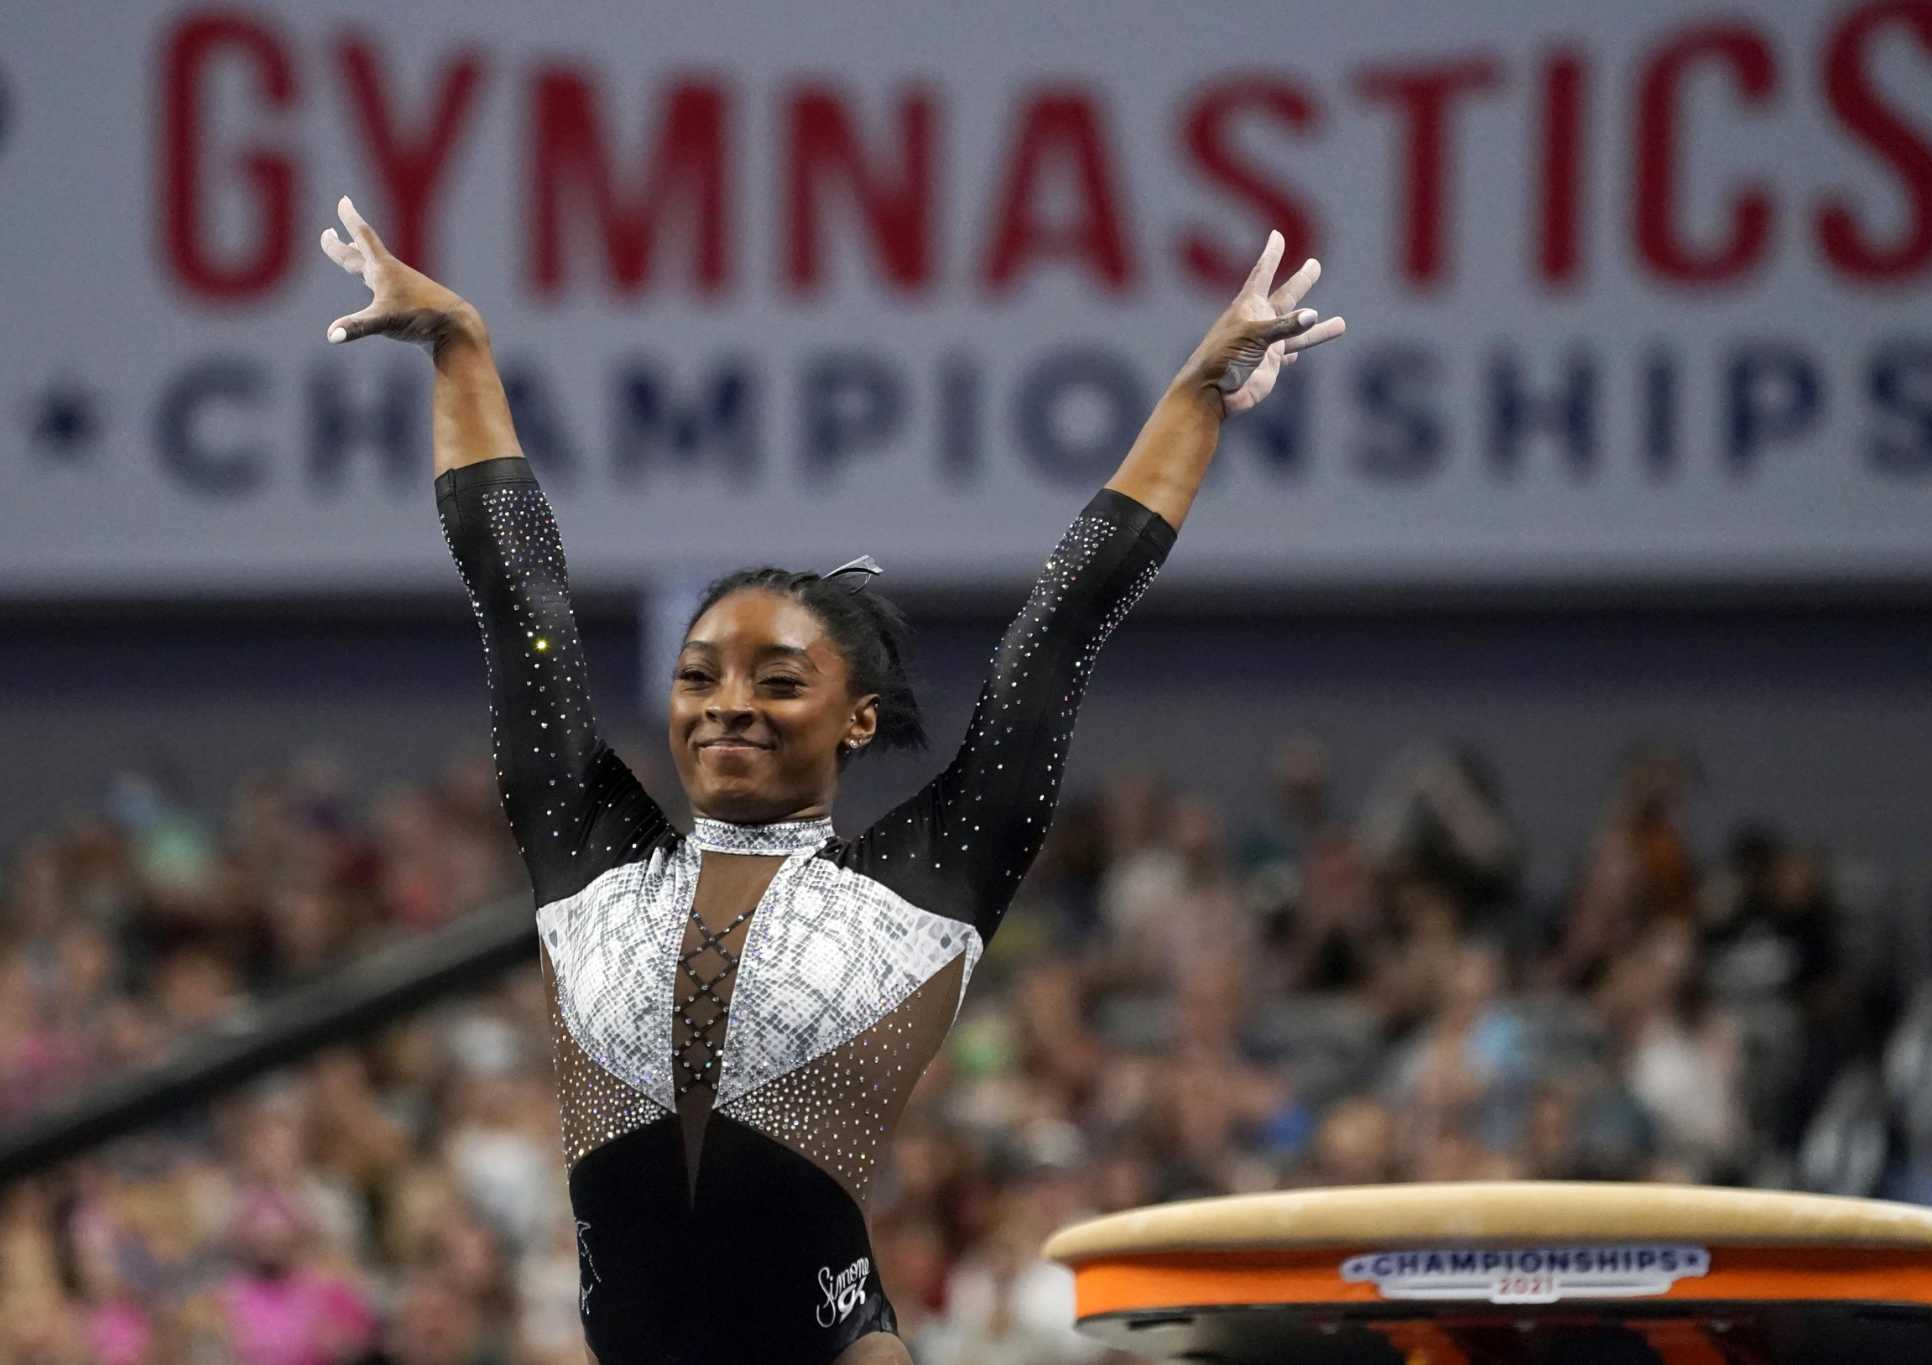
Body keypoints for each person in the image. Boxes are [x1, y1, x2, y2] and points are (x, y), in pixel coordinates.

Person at [319, 194, 1344, 1364]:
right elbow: (517, 595)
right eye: (699, 675)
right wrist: (462, 345)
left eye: (777, 678)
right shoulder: (589, 862)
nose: (729, 703)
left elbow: (1057, 632)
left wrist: (1196, 396)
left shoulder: (919, 892)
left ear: (859, 717)